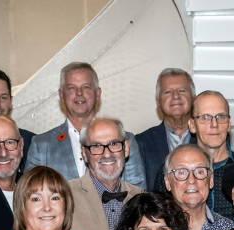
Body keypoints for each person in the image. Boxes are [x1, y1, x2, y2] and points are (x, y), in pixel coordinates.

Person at [26, 61, 147, 189]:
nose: (79, 93)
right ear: (61, 95)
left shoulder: (124, 140)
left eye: (86, 87)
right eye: (71, 88)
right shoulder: (41, 145)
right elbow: (30, 194)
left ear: (98, 94)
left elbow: (138, 194)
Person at [67, 116, 146, 230]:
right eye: (96, 146)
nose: (107, 154)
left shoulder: (141, 198)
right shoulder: (65, 198)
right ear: (84, 152)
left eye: (114, 144)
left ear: (126, 148)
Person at [187, 90, 234, 220]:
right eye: (205, 117)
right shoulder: (175, 172)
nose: (214, 124)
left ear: (229, 124)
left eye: (221, 117)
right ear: (192, 125)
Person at [136, 68, 195, 189]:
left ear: (194, 98)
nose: (175, 96)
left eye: (182, 90)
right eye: (168, 92)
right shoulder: (141, 142)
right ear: (158, 102)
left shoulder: (206, 138)